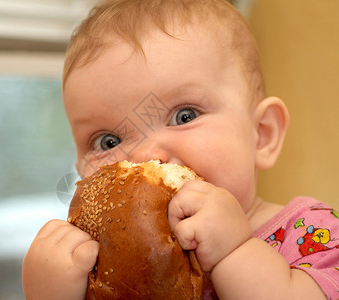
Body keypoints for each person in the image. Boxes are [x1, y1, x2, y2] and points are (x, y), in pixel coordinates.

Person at [22, 0, 338, 299]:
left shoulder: (314, 231)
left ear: (262, 135)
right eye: (108, 142)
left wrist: (236, 252)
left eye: (183, 116)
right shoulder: (100, 269)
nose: (145, 159)